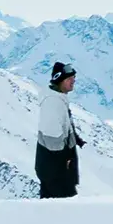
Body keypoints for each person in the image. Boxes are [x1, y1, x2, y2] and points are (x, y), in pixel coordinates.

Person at [35, 61, 83, 198]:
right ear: (59, 80)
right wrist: (66, 159)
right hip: (55, 170)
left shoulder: (58, 99)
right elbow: (53, 139)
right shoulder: (52, 103)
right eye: (69, 79)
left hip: (53, 168)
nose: (73, 81)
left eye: (74, 78)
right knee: (62, 209)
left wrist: (75, 139)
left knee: (54, 208)